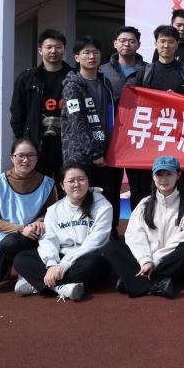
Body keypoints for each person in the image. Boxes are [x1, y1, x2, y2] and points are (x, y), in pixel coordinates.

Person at [100, 155, 184, 299]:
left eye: (169, 174)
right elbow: (135, 235)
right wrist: (146, 260)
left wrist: (155, 260)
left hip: (171, 261)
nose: (164, 179)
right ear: (153, 176)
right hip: (145, 260)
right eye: (159, 175)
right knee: (111, 247)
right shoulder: (145, 203)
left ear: (178, 175)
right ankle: (158, 283)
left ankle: (134, 281)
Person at [12, 163, 112, 301]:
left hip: (87, 256)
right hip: (61, 257)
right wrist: (52, 264)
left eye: (81, 179)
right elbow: (48, 239)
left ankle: (41, 284)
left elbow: (95, 241)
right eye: (71, 181)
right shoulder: (54, 209)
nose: (76, 184)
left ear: (88, 181)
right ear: (62, 186)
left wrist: (64, 265)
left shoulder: (103, 206)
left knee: (95, 263)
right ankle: (61, 288)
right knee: (21, 258)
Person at [0, 139, 58, 288]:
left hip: (34, 236)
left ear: (37, 158)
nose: (26, 160)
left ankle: (25, 272)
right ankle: (9, 262)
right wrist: (21, 229)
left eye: (31, 155)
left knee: (12, 243)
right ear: (12, 157)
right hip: (2, 235)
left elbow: (51, 213)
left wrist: (39, 221)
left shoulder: (47, 183)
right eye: (20, 155)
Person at [61, 36, 120, 234]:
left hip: (107, 152)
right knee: (84, 198)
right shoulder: (72, 86)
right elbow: (77, 122)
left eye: (95, 52)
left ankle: (110, 235)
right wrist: (94, 153)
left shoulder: (105, 82)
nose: (92, 56)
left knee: (109, 196)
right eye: (86, 53)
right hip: (82, 156)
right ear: (76, 57)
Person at [134, 26, 184, 209]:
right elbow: (136, 103)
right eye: (162, 41)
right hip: (152, 135)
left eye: (171, 42)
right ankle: (147, 218)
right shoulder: (145, 71)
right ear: (156, 44)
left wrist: (177, 99)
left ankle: (182, 218)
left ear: (177, 45)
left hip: (179, 135)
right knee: (149, 182)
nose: (166, 45)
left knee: (181, 180)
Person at [10, 28, 72, 179]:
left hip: (67, 145)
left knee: (67, 186)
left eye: (58, 47)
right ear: (40, 50)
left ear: (64, 49)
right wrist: (24, 139)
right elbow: (17, 111)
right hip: (36, 144)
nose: (53, 51)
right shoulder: (27, 78)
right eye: (48, 47)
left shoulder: (74, 77)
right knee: (38, 186)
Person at [100, 26, 146, 104]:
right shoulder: (103, 70)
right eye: (122, 41)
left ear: (138, 45)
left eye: (132, 41)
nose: (127, 44)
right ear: (115, 44)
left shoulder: (148, 69)